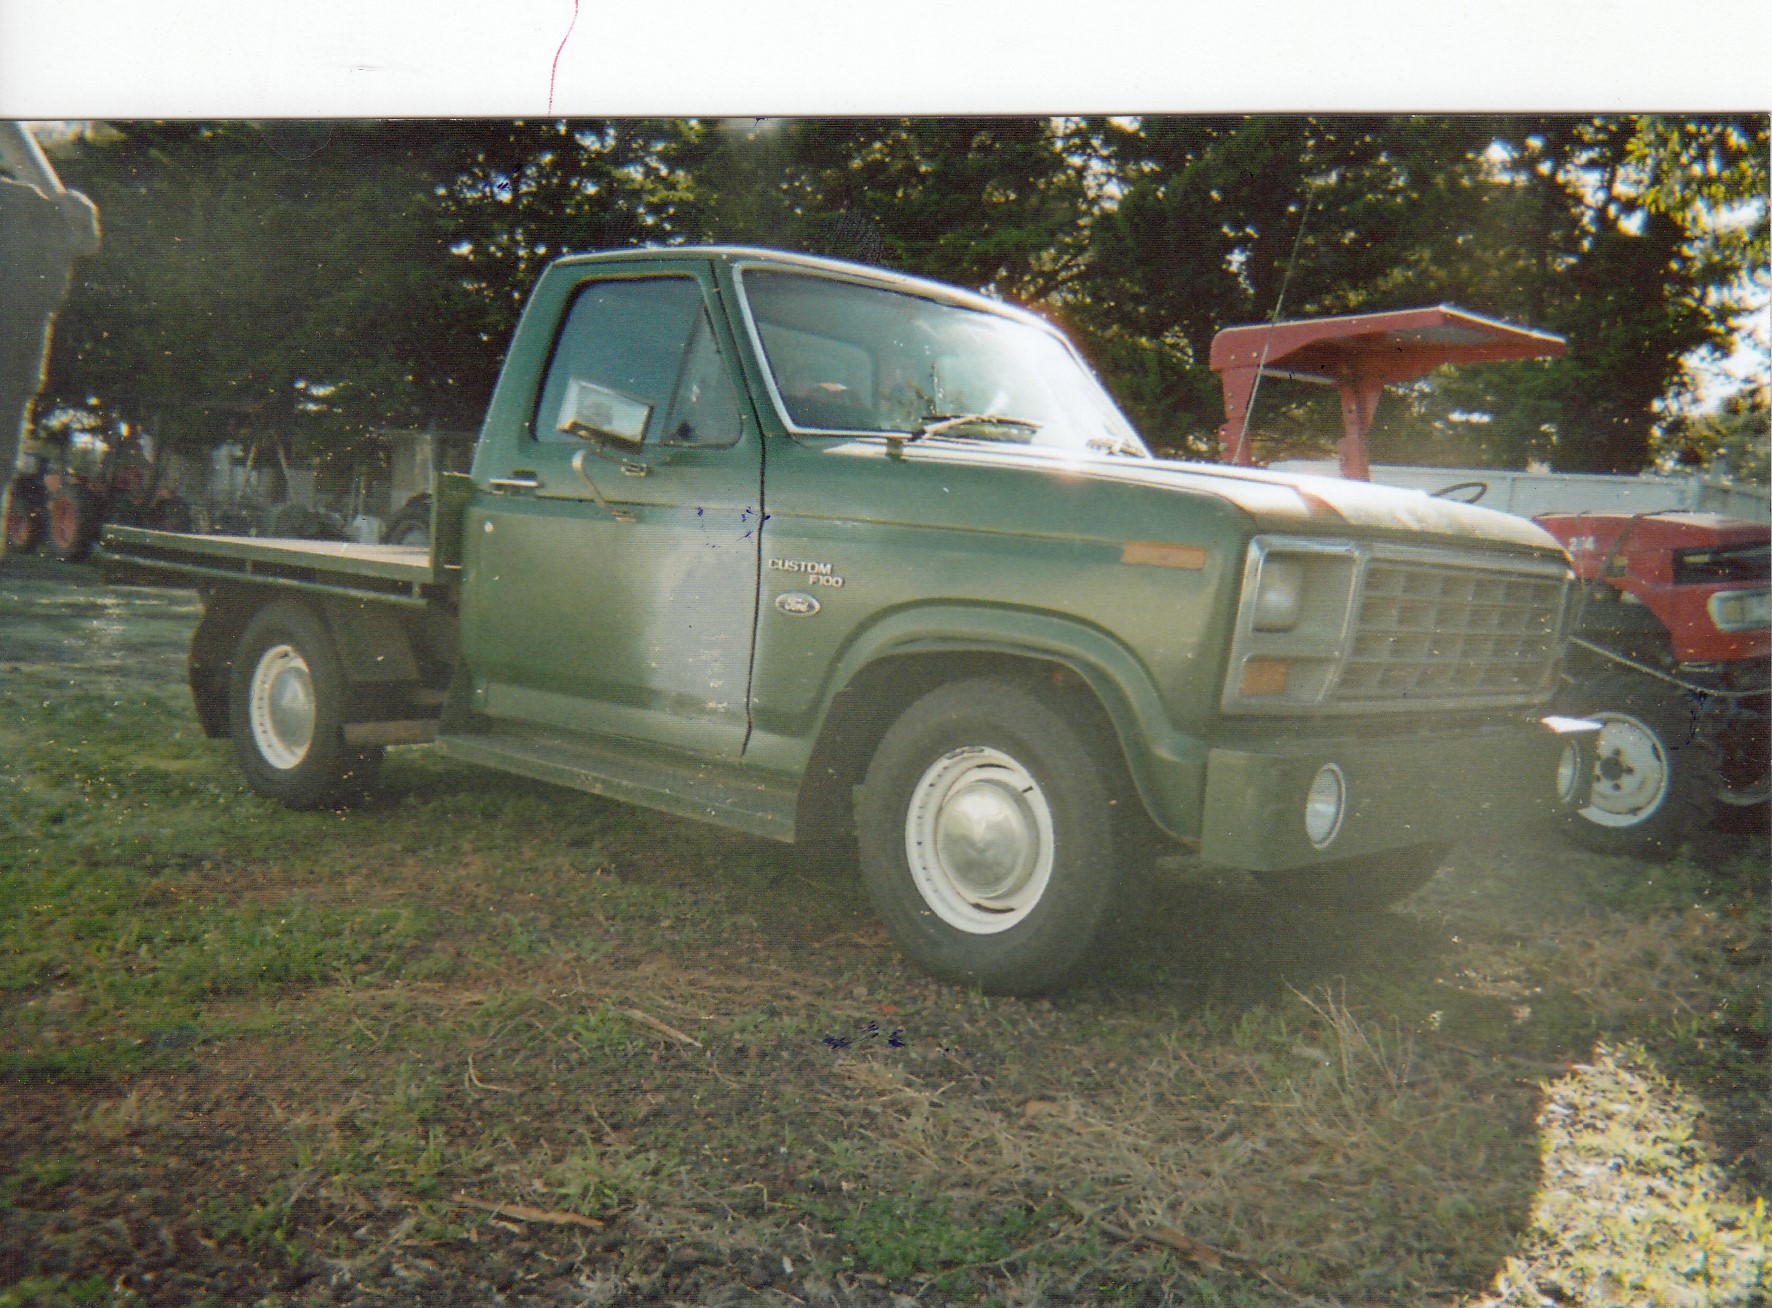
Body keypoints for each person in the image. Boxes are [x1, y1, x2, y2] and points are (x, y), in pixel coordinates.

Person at [1, 122, 100, 559]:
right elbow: (83, 238)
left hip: (16, 356)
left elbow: (82, 237)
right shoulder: (43, 206)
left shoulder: (37, 207)